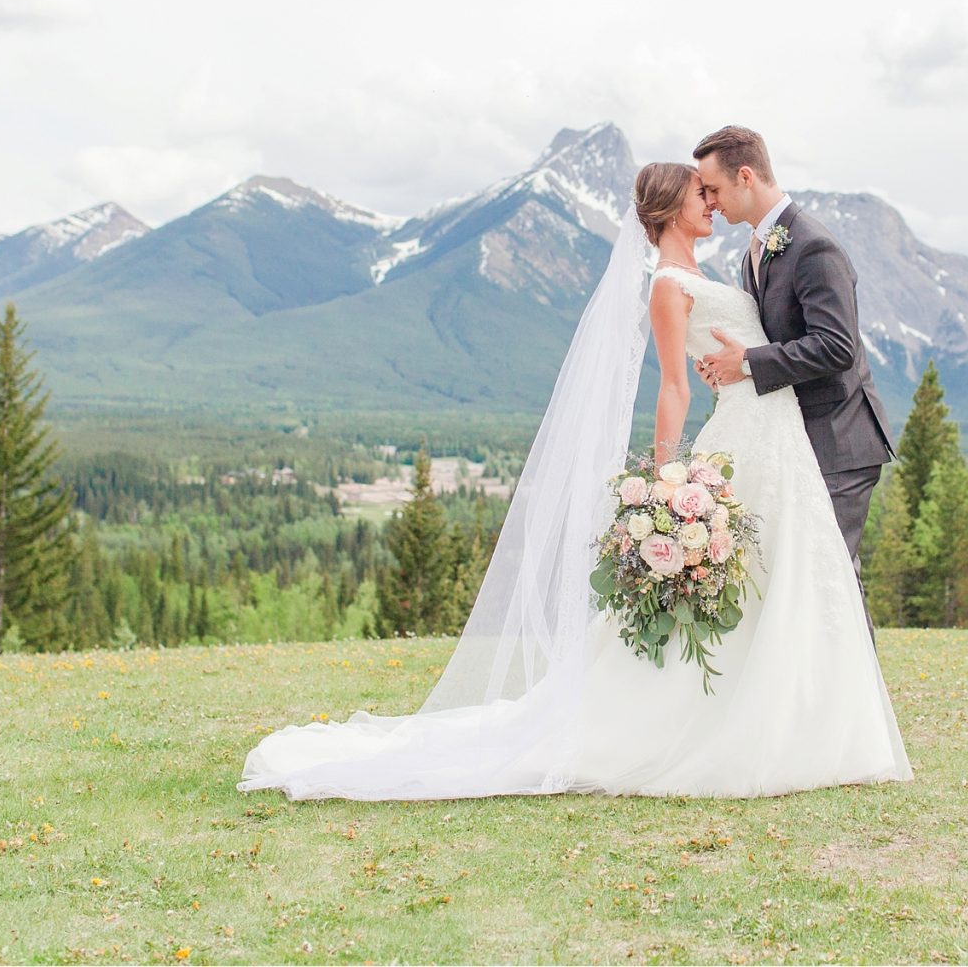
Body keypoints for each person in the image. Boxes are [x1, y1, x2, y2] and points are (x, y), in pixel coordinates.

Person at [236, 158, 912, 801]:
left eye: (713, 192)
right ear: (673, 209)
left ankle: (802, 717)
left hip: (774, 434)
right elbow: (673, 387)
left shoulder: (723, 269)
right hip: (746, 434)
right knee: (757, 580)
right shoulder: (668, 287)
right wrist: (666, 474)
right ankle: (721, 721)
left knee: (785, 579)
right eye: (699, 196)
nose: (712, 203)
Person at [690, 124, 895, 638]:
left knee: (831, 577)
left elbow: (837, 345)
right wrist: (728, 367)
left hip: (840, 436)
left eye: (712, 188)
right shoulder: (753, 251)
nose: (709, 201)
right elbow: (772, 338)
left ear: (744, 176)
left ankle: (859, 712)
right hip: (795, 435)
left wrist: (751, 363)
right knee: (806, 576)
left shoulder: (813, 247)